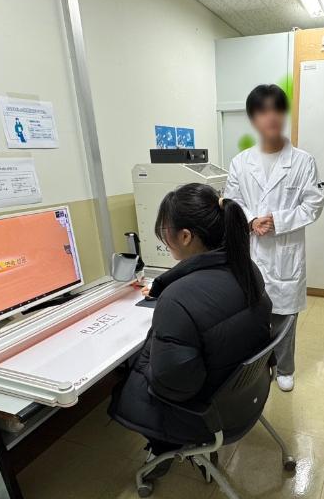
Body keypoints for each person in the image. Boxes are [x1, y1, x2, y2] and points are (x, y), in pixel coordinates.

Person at [109, 183, 272, 477]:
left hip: (206, 414)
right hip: (244, 395)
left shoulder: (178, 298)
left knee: (128, 378)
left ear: (185, 236)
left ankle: (163, 446)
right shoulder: (246, 268)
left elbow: (175, 386)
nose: (164, 240)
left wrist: (147, 363)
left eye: (165, 232)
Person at [223, 84, 324, 393]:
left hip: (284, 250)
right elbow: (232, 201)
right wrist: (251, 220)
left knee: (284, 317)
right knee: (252, 314)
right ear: (253, 118)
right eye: (262, 111)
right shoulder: (241, 162)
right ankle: (256, 365)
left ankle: (285, 367)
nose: (271, 117)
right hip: (252, 248)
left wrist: (278, 221)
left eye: (276, 110)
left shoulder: (303, 161)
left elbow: (313, 204)